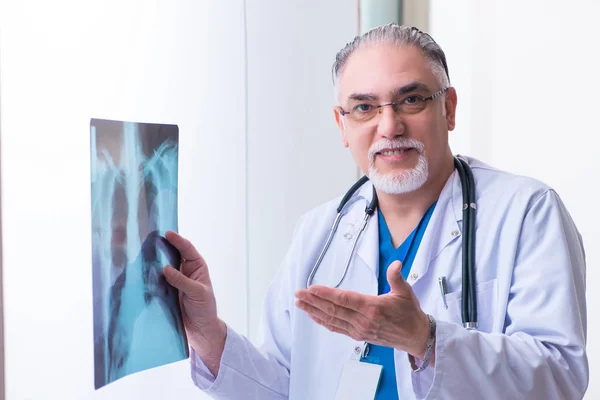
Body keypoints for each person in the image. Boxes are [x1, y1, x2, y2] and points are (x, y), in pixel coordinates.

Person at [163, 24, 588, 399]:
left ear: (449, 108)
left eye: (411, 99)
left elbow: (560, 377)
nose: (389, 126)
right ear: (342, 126)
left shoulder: (526, 213)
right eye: (364, 107)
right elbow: (282, 386)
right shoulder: (318, 233)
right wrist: (207, 334)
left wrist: (427, 340)